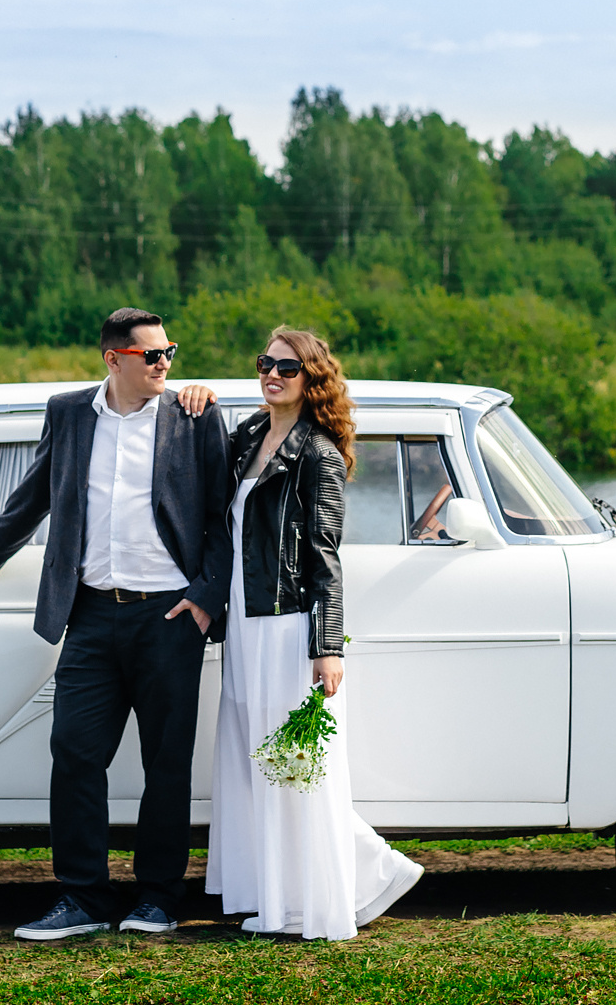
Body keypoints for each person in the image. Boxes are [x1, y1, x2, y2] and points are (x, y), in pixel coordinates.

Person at [0, 308, 227, 941]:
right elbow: (34, 496)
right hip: (91, 614)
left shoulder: (195, 417)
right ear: (113, 359)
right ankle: (82, 897)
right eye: (151, 355)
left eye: (170, 352)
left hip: (169, 616)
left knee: (167, 763)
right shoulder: (69, 413)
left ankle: (158, 898)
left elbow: (220, 515)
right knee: (73, 753)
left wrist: (207, 597)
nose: (164, 364)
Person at [207, 327, 424, 939]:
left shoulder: (318, 453)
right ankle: (282, 896)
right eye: (265, 363)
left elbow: (325, 557)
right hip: (245, 623)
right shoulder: (248, 436)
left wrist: (327, 647)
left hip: (288, 625)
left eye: (287, 367)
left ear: (312, 379)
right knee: (260, 761)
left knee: (296, 763)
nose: (272, 375)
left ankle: (345, 887)